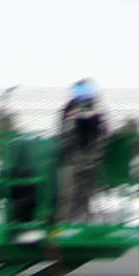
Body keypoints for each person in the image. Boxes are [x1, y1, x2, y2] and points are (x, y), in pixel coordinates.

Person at [56, 79, 108, 221]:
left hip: (90, 158)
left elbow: (104, 132)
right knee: (68, 193)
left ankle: (85, 221)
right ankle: (64, 221)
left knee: (87, 193)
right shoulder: (70, 109)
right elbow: (64, 132)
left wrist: (95, 152)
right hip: (73, 158)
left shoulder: (97, 110)